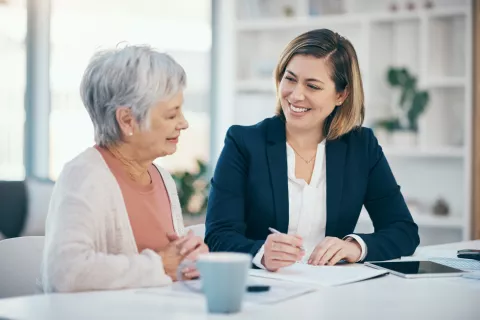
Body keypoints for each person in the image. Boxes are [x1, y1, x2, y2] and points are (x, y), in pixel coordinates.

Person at [205, 29, 419, 272]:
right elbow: (218, 235)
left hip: (331, 291)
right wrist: (261, 253)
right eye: (290, 79)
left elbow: (403, 231)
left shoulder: (362, 146)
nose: (296, 95)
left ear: (341, 94)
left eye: (313, 86)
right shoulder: (243, 143)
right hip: (263, 290)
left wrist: (355, 247)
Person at [41, 45, 208, 292]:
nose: (183, 123)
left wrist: (187, 259)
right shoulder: (84, 176)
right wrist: (162, 265)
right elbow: (65, 272)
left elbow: (169, 267)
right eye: (172, 115)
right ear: (127, 120)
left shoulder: (161, 177)